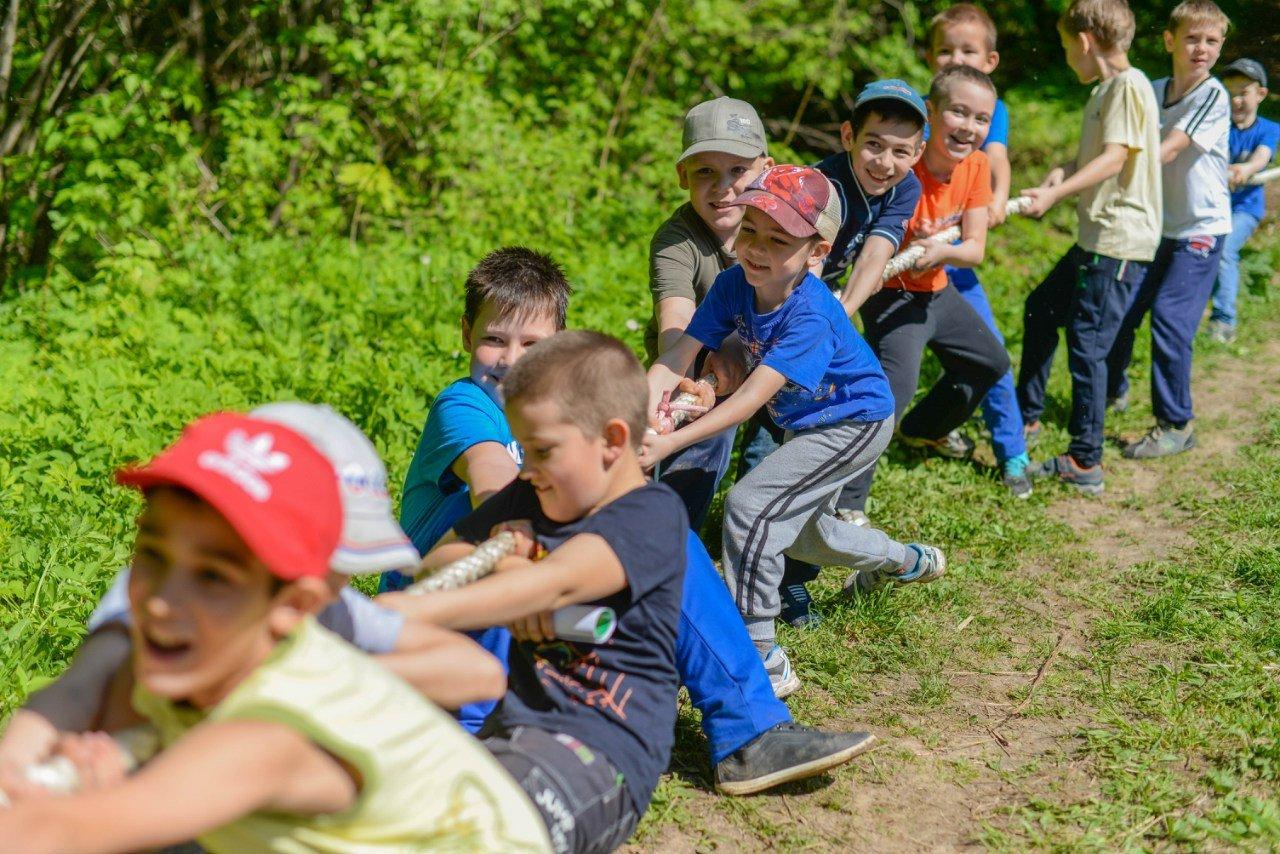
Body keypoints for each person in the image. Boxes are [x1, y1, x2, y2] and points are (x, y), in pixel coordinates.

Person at [385, 247, 874, 794]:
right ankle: (478, 733)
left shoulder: (565, 419)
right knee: (618, 524)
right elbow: (494, 487)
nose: (510, 360)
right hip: (448, 604)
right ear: (465, 335)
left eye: (533, 345)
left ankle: (748, 731)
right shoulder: (464, 405)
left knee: (662, 531)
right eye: (494, 339)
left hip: (532, 601)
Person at [0, 412, 552, 852]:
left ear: (294, 606)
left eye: (214, 577)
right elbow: (77, 695)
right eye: (151, 553)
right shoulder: (194, 647)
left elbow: (60, 834)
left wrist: (90, 807)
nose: (164, 601)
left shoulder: (275, 731)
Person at [644, 165, 947, 693]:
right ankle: (903, 561)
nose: (756, 248)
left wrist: (667, 442)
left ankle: (760, 655)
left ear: (817, 252)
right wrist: (645, 404)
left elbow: (749, 403)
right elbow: (680, 353)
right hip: (807, 423)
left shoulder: (811, 315)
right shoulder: (735, 283)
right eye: (750, 230)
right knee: (806, 536)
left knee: (750, 508)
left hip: (853, 422)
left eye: (778, 240)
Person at [380, 332, 686, 852]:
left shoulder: (649, 513)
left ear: (612, 440)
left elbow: (557, 580)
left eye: (542, 451)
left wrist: (402, 615)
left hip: (599, 748)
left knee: (490, 828)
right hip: (508, 730)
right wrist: (504, 560)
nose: (526, 469)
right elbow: (436, 563)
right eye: (523, 450)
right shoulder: (533, 491)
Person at [759, 77, 927, 628]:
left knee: (812, 439)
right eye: (873, 144)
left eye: (900, 150)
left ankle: (793, 574)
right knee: (768, 441)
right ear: (849, 135)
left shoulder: (905, 187)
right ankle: (760, 565)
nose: (884, 162)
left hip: (823, 315)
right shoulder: (821, 183)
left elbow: (876, 252)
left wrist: (842, 313)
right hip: (781, 309)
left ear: (917, 153)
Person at [837, 65, 1012, 522]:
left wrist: (940, 252)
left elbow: (974, 249)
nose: (969, 127)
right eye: (959, 112)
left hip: (936, 289)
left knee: (990, 361)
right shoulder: (899, 167)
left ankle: (922, 429)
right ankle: (847, 502)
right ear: (931, 114)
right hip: (891, 294)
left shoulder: (976, 166)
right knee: (893, 391)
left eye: (982, 118)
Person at [1016, 0, 1161, 495]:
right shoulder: (1105, 90)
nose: (1066, 58)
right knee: (1041, 308)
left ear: (1084, 41)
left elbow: (1116, 158)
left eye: (1065, 47)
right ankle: (1027, 417)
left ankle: (1085, 460)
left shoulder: (1128, 85)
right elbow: (1099, 156)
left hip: (1118, 240)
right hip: (1095, 236)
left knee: (1088, 345)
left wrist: (1056, 195)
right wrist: (1061, 173)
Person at [1105, 0, 1232, 459]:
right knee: (1121, 308)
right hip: (1157, 226)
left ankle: (1176, 424)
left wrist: (1112, 169)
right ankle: (1111, 391)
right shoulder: (1153, 89)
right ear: (1169, 41)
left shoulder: (1213, 94)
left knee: (1170, 319)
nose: (1202, 48)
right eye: (1192, 38)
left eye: (1212, 41)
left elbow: (1169, 149)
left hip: (1201, 228)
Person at [645, 96, 773, 529]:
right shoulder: (676, 242)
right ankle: (670, 537)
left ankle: (759, 529)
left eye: (738, 170)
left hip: (774, 362)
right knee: (703, 440)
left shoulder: (787, 230)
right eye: (705, 172)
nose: (723, 187)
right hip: (701, 370)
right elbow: (676, 321)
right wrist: (682, 379)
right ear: (683, 175)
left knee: (777, 444)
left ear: (766, 169)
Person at [926, 3, 1033, 498]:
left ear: (989, 61)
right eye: (944, 50)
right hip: (906, 257)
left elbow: (996, 157)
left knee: (990, 350)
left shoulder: (992, 111)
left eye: (967, 51)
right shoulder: (923, 108)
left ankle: (1012, 451)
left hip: (955, 258)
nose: (955, 59)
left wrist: (995, 197)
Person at [1206, 58, 1277, 342]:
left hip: (1245, 209)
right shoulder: (1217, 126)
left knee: (1224, 250)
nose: (1236, 100)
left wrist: (1246, 169)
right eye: (1230, 92)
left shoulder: (1269, 129)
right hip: (1211, 205)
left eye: (1243, 92)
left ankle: (1224, 321)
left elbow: (1261, 157)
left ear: (1260, 94)